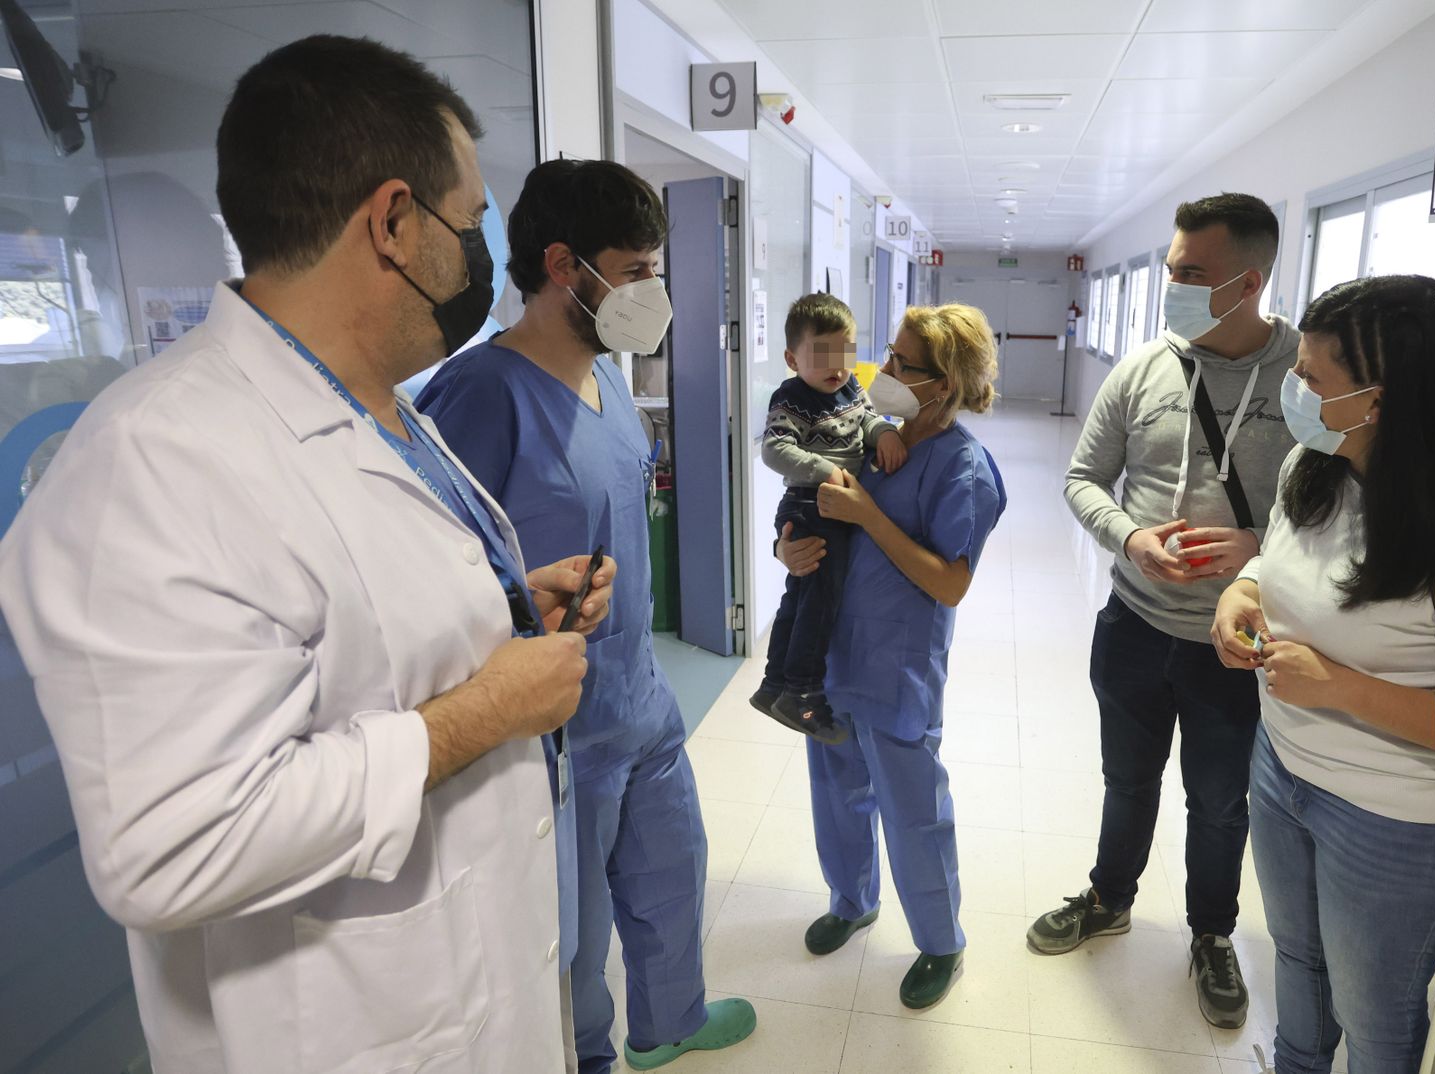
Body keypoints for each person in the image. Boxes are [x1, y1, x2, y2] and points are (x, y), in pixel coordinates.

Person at [0, 36, 612, 1074]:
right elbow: (171, 845)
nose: (477, 257)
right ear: (393, 223)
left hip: (478, 987)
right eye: (469, 224)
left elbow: (366, 635)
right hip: (342, 1032)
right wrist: (486, 712)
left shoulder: (380, 406)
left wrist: (502, 612)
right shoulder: (150, 464)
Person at [415, 158, 756, 1074]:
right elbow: (427, 579)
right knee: (569, 943)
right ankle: (589, 1058)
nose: (654, 292)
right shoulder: (480, 397)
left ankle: (670, 1021)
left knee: (670, 877)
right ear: (565, 265)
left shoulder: (608, 388)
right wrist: (519, 594)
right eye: (637, 271)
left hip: (638, 700)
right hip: (551, 738)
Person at [1211, 275, 1435, 1074]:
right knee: (1297, 963)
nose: (1293, 391)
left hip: (1392, 821)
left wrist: (1336, 685)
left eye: (1313, 380)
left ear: (1385, 400)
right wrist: (1241, 592)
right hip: (1283, 769)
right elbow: (1275, 561)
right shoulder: (1319, 463)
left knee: (1378, 1018)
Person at [1026, 193, 1299, 1029]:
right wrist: (1131, 537)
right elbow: (1081, 479)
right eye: (1171, 266)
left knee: (1219, 803)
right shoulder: (1143, 368)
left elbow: (1334, 513)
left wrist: (1258, 544)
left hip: (1238, 646)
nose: (1171, 283)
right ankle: (1110, 897)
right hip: (1135, 627)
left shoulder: (1304, 378)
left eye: (1190, 273)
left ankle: (1212, 934)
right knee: (1127, 780)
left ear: (1247, 281)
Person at [777, 303, 1006, 1010]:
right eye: (891, 355)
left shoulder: (963, 468)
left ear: (947, 382)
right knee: (836, 788)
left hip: (895, 663)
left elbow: (951, 582)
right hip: (834, 652)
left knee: (912, 810)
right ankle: (853, 899)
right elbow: (813, 511)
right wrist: (786, 547)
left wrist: (869, 516)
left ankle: (942, 942)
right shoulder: (873, 440)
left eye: (905, 365)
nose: (886, 373)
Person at [751, 292, 906, 741]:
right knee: (819, 603)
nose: (836, 367)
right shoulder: (791, 398)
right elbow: (775, 448)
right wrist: (831, 471)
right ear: (791, 358)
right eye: (823, 356)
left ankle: (774, 683)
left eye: (845, 354)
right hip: (811, 506)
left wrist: (884, 435)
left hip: (832, 505)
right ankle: (802, 692)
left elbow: (868, 418)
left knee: (800, 599)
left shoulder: (850, 388)